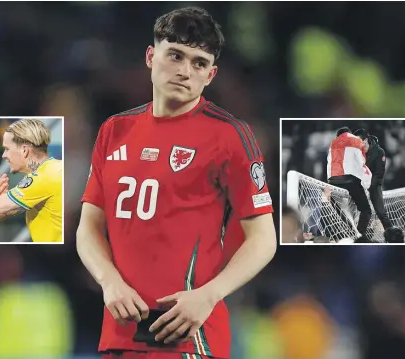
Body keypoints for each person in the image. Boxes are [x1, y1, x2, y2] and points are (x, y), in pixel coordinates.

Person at [76, 7, 276, 359]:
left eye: (199, 63)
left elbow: (264, 239)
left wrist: (209, 295)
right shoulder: (114, 130)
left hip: (191, 337)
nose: (185, 70)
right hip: (119, 336)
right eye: (176, 55)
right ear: (151, 57)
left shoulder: (229, 136)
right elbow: (88, 227)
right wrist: (109, 282)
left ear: (211, 75)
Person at [327, 127, 372, 242]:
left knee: (334, 210)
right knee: (366, 210)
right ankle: (359, 236)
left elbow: (329, 163)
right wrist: (366, 184)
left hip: (333, 181)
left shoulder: (332, 143)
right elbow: (361, 164)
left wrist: (329, 182)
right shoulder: (356, 140)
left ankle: (345, 233)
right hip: (350, 180)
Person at [353, 129, 392, 230]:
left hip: (373, 185)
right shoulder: (355, 152)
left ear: (365, 140)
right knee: (364, 212)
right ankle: (360, 236)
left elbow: (379, 175)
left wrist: (368, 186)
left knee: (381, 213)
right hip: (358, 185)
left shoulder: (379, 152)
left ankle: (392, 234)